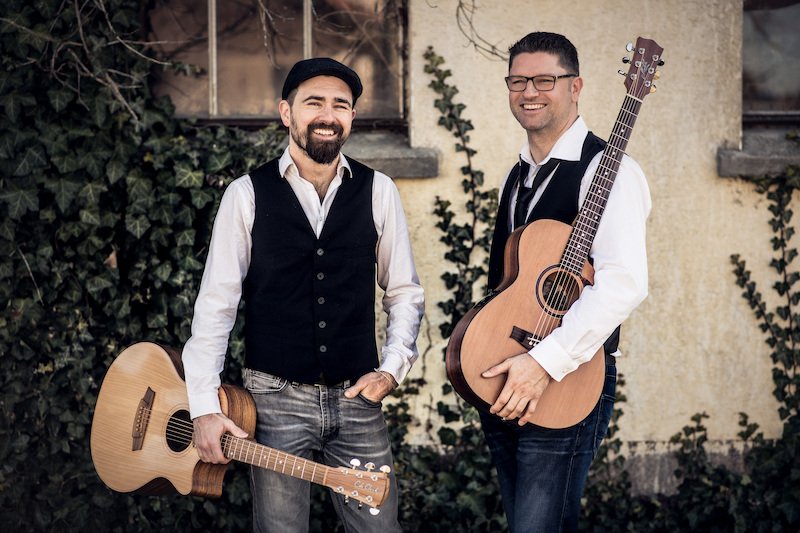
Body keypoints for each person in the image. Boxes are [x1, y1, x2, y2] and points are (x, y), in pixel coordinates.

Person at [181, 57, 424, 533]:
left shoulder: (379, 191)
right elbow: (216, 306)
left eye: (342, 105)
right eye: (314, 102)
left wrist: (392, 369)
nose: (328, 114)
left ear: (352, 117)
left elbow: (404, 292)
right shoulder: (246, 194)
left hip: (358, 400)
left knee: (380, 529)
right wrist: (205, 408)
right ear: (286, 112)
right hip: (273, 402)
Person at [479, 32, 651, 532]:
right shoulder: (519, 175)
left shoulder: (609, 169)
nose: (528, 91)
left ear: (575, 87)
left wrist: (542, 363)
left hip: (569, 378)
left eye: (544, 80)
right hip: (504, 376)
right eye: (517, 80)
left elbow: (623, 284)